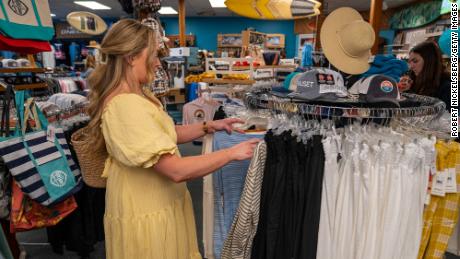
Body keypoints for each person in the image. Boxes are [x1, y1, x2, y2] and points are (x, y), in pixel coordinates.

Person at [86, 19, 260, 259]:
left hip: (158, 200)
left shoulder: (137, 94)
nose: (158, 63)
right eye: (153, 56)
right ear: (131, 57)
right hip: (146, 206)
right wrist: (231, 153)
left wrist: (210, 125)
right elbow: (175, 170)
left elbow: (164, 134)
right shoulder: (125, 105)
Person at [399, 41, 451, 110]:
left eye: (415, 61)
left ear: (429, 61)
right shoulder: (414, 82)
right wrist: (404, 92)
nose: (411, 66)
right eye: (410, 62)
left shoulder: (448, 88)